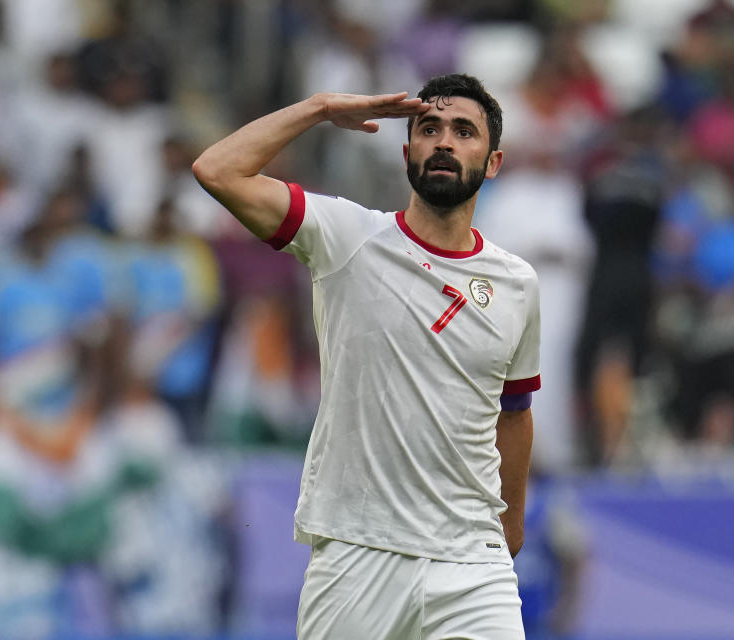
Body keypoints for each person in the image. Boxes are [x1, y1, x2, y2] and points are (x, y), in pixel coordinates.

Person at [193, 73, 541, 639]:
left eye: (463, 131)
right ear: (408, 154)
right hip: (358, 553)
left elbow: (515, 412)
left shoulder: (517, 284)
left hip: (473, 562)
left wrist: (508, 536)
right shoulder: (346, 236)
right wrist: (320, 106)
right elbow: (217, 170)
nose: (444, 142)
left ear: (493, 161)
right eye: (429, 129)